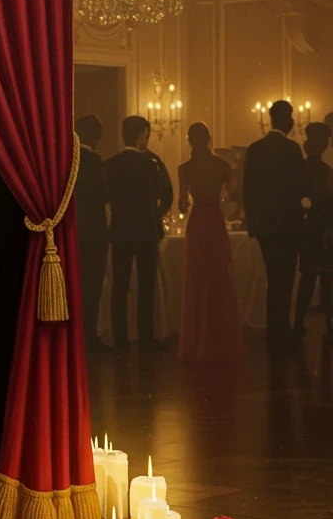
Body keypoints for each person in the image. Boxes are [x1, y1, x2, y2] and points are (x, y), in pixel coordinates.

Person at [243, 99, 310, 354]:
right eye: (290, 118)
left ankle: (275, 333)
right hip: (289, 226)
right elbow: (302, 186)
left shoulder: (255, 149)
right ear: (286, 120)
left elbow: (248, 190)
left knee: (273, 278)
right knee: (285, 280)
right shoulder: (291, 149)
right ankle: (282, 331)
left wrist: (253, 224)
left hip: (265, 227)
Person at [177, 122, 242, 362]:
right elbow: (235, 195)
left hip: (197, 223)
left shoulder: (184, 169)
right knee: (219, 277)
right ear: (209, 139)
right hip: (215, 220)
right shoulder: (222, 166)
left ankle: (197, 341)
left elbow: (182, 205)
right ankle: (220, 340)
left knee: (197, 278)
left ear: (189, 140)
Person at [103, 115, 167, 351]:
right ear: (141, 135)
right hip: (145, 231)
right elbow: (158, 193)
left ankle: (121, 339)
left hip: (121, 230)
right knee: (146, 286)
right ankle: (146, 337)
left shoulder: (109, 164)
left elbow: (106, 196)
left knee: (120, 286)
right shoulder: (149, 164)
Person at [73, 115, 112, 355]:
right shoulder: (95, 160)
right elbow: (103, 193)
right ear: (97, 138)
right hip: (94, 232)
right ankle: (89, 337)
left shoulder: (67, 158)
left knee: (74, 287)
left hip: (73, 231)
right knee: (92, 287)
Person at [294, 122, 333, 342]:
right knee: (327, 281)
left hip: (309, 231)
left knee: (308, 280)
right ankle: (329, 325)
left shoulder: (300, 170)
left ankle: (299, 324)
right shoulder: (327, 172)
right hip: (326, 233)